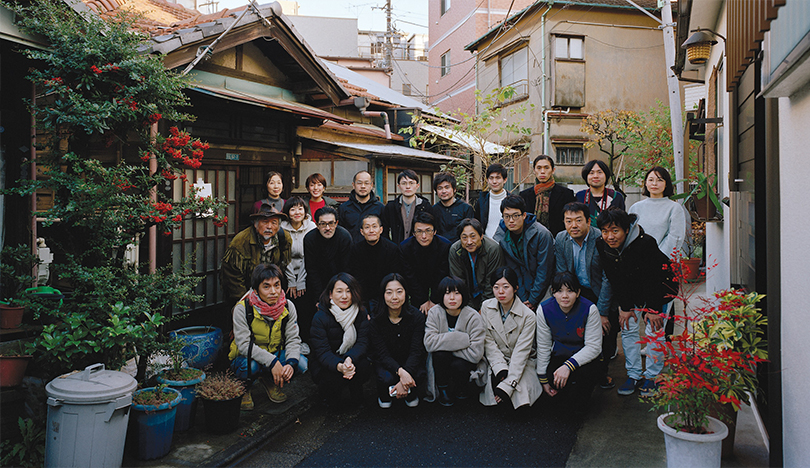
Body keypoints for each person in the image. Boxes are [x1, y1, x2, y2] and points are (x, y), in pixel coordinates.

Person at [596, 208, 676, 397]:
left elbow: (654, 278)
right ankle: (633, 375)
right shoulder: (601, 244)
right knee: (628, 328)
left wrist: (654, 308)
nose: (609, 236)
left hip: (660, 289)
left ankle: (653, 376)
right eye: (605, 231)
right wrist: (625, 307)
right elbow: (614, 277)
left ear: (626, 229)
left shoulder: (645, 243)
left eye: (615, 230)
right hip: (630, 291)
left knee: (654, 331)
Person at [556, 202, 617, 389]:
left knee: (605, 329)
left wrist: (603, 311)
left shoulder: (601, 238)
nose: (573, 225)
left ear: (589, 221)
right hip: (577, 290)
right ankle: (579, 367)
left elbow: (609, 277)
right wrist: (567, 299)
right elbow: (562, 272)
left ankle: (602, 372)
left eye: (578, 220)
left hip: (601, 290)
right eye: (568, 221)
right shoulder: (561, 239)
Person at [229, 264, 307, 410]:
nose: (273, 292)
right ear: (256, 289)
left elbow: (293, 339)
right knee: (250, 366)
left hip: (275, 353)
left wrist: (290, 363)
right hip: (247, 357)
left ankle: (269, 380)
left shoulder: (288, 306)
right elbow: (244, 345)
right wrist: (272, 362)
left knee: (301, 363)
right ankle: (245, 388)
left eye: (277, 285)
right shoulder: (243, 308)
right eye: (266, 287)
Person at [536, 271, 603, 408]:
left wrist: (568, 366)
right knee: (556, 399)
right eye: (559, 291)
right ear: (553, 292)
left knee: (581, 397)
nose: (565, 296)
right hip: (559, 354)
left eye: (570, 291)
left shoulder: (589, 309)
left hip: (583, 358)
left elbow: (594, 347)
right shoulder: (544, 309)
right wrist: (543, 378)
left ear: (578, 293)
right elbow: (543, 345)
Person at [479, 267, 542, 409]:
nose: (501, 292)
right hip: (497, 360)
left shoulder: (528, 316)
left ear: (515, 288)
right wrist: (500, 369)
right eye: (496, 287)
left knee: (519, 404)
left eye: (506, 287)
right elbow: (488, 343)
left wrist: (508, 384)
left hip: (522, 362)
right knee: (496, 403)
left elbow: (522, 352)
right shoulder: (486, 307)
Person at [310, 273, 370, 407]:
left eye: (349, 291)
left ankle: (355, 389)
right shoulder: (320, 317)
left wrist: (349, 359)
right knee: (331, 385)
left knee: (364, 366)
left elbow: (363, 342)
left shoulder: (360, 312)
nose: (344, 296)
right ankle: (328, 395)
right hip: (327, 363)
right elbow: (322, 352)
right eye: (339, 291)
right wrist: (340, 366)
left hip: (350, 360)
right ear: (330, 294)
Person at [423, 276, 485, 406]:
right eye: (447, 293)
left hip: (464, 363)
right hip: (441, 360)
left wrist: (445, 346)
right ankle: (443, 389)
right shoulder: (434, 313)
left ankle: (461, 388)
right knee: (440, 355)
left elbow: (476, 353)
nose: (452, 298)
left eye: (457, 293)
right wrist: (463, 339)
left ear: (463, 295)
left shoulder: (473, 316)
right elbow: (429, 343)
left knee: (457, 364)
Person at [220, 203, 292, 315]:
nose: (269, 227)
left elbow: (283, 265)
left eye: (274, 222)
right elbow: (233, 279)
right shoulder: (240, 242)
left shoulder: (284, 238)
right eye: (265, 222)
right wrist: (246, 303)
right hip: (246, 291)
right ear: (255, 224)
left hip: (271, 289)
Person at [369, 273, 427, 408]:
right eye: (389, 292)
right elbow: (381, 354)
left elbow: (416, 350)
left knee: (419, 374)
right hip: (387, 363)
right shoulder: (376, 320)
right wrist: (402, 373)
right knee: (386, 379)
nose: (394, 297)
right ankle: (385, 393)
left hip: (409, 361)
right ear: (383, 295)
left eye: (399, 292)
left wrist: (404, 380)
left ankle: (407, 391)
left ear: (406, 293)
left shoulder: (416, 317)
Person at [492, 195, 554, 310]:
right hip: (520, 289)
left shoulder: (541, 234)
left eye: (515, 216)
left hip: (544, 287)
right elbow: (513, 269)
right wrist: (524, 299)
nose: (511, 220)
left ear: (524, 215)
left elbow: (544, 270)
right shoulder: (501, 236)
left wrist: (532, 300)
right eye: (507, 216)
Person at [628, 166, 687, 260]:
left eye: (660, 180)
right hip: (638, 260)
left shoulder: (674, 208)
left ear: (666, 184)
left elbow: (675, 237)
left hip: (663, 261)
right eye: (651, 180)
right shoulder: (635, 207)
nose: (654, 184)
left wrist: (658, 257)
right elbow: (629, 235)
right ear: (645, 183)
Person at [399, 212, 451, 315]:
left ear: (435, 231)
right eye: (419, 231)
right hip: (417, 287)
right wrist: (423, 300)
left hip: (438, 286)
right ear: (413, 233)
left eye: (428, 231)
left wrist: (433, 300)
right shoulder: (405, 248)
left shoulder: (445, 246)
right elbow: (410, 276)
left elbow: (442, 274)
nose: (424, 236)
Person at [280, 197, 316, 346]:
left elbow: (310, 256)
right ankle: (287, 341)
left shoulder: (312, 227)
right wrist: (291, 281)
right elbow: (283, 257)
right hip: (285, 274)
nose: (297, 212)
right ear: (287, 212)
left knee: (305, 309)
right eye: (293, 209)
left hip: (307, 273)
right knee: (286, 308)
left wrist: (300, 280)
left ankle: (305, 341)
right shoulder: (281, 229)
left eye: (300, 208)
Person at [449, 218, 504, 310]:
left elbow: (491, 284)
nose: (469, 242)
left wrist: (484, 309)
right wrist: (469, 309)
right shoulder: (455, 250)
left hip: (489, 297)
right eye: (464, 237)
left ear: (481, 236)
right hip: (466, 298)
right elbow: (459, 283)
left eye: (473, 236)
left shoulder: (493, 249)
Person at [348, 214, 401, 307]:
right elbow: (356, 276)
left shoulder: (392, 249)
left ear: (381, 229)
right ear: (362, 231)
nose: (371, 231)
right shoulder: (355, 250)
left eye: (374, 226)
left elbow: (394, 275)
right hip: (363, 296)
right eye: (367, 227)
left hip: (387, 295)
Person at [519, 155, 576, 236]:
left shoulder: (566, 194)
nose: (542, 171)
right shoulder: (524, 195)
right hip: (531, 240)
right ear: (534, 170)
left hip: (558, 240)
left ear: (553, 170)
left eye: (546, 168)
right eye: (539, 168)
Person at [304, 206, 353, 300]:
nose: (327, 228)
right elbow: (311, 269)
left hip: (341, 282)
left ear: (336, 223)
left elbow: (347, 268)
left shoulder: (345, 237)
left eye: (331, 223)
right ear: (317, 225)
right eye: (323, 224)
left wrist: (339, 292)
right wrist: (320, 297)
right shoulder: (309, 239)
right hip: (317, 283)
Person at [383, 169, 431, 244]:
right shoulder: (391, 207)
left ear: (417, 186)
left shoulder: (425, 206)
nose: (408, 187)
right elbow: (384, 230)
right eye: (404, 183)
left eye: (411, 183)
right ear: (398, 186)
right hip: (396, 249)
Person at [575, 160, 626, 227]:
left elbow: (622, 222)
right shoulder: (580, 196)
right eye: (591, 173)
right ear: (586, 176)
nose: (595, 176)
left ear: (606, 175)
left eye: (599, 172)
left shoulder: (616, 196)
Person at [338, 170, 385, 243]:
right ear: (353, 185)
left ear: (371, 185)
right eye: (359, 183)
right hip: (350, 251)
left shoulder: (380, 207)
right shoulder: (343, 208)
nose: (363, 186)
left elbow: (385, 234)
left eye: (366, 183)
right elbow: (340, 234)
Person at [431, 172, 474, 242]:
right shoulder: (433, 210)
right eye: (440, 188)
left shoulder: (466, 209)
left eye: (447, 187)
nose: (443, 191)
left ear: (454, 189)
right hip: (439, 248)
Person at [474, 163, 509, 239]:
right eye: (491, 178)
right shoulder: (481, 201)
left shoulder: (511, 199)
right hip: (486, 245)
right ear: (487, 180)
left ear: (505, 180)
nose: (494, 181)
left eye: (498, 178)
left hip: (507, 245)